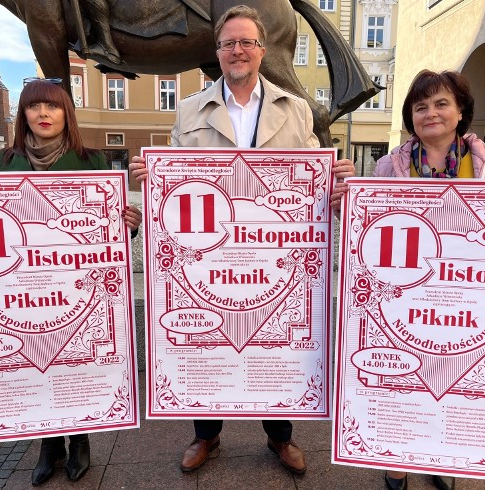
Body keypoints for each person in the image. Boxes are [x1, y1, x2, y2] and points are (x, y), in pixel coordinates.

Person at [129, 4, 354, 475]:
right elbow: (175, 183)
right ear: (217, 52)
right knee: (206, 338)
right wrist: (153, 176)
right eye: (228, 43)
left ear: (261, 49)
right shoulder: (191, 109)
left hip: (271, 253)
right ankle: (206, 435)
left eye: (246, 42)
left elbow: (313, 183)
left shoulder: (294, 111)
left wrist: (336, 181)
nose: (237, 50)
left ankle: (280, 437)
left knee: (276, 342)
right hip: (210, 254)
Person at [0, 79, 142, 486]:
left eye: (53, 107)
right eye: (34, 107)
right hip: (24, 283)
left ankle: (79, 439)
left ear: (66, 114)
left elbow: (106, 227)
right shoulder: (5, 161)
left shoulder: (91, 160)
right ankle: (48, 443)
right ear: (23, 115)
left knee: (74, 359)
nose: (43, 114)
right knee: (35, 360)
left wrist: (128, 224)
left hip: (76, 282)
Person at [374, 69, 485, 490]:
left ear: (460, 112)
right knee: (404, 381)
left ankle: (437, 456)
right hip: (405, 295)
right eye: (420, 107)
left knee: (451, 378)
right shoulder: (389, 166)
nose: (430, 113)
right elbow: (369, 227)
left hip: (464, 296)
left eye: (441, 103)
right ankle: (397, 461)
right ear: (410, 117)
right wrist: (343, 203)